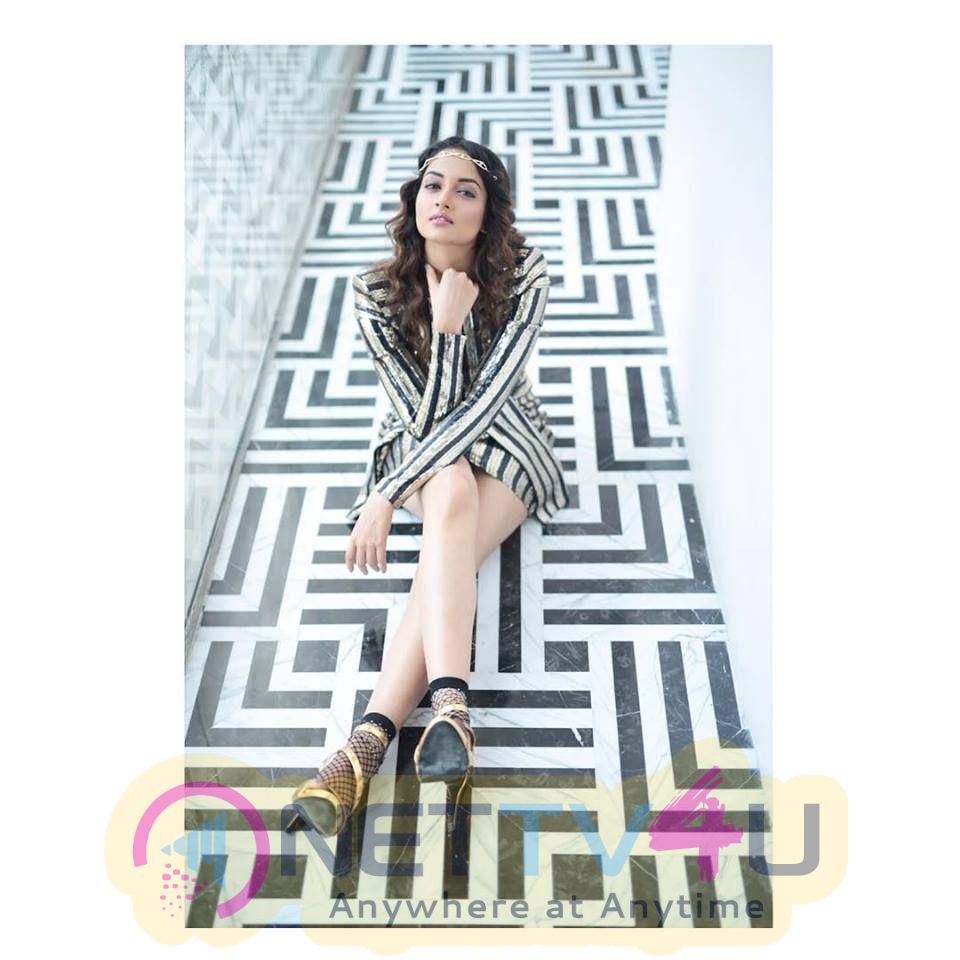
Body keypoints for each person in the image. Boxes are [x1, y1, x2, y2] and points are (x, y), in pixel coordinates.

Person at [284, 137, 569, 838]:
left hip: (510, 439)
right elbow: (423, 418)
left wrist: (385, 495)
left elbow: (485, 405)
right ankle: (450, 706)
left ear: (489, 212)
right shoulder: (375, 291)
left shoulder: (524, 272)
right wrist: (444, 330)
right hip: (417, 443)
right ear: (414, 197)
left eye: (465, 190)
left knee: (438, 562)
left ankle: (363, 748)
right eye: (432, 185)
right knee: (450, 493)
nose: (442, 200)